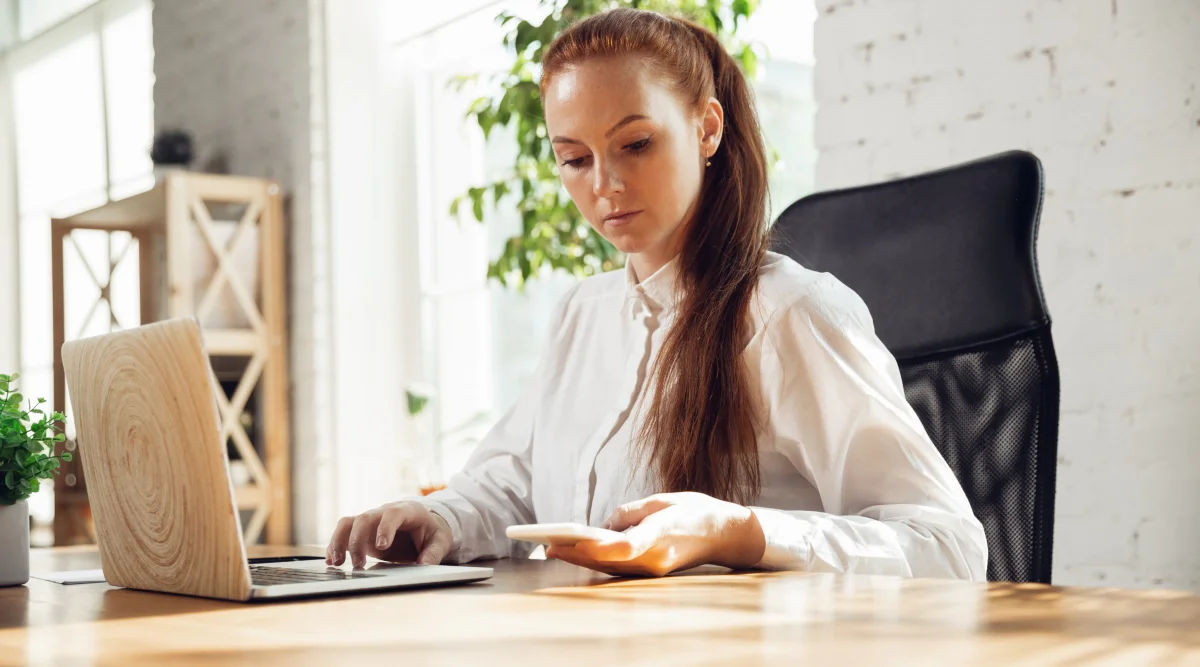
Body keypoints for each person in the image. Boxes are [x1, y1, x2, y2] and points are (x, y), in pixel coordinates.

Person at [325, 8, 987, 580]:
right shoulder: (581, 314)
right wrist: (436, 517)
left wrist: (737, 531)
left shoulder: (786, 313)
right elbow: (513, 485)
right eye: (574, 158)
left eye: (635, 144)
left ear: (707, 129)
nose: (604, 184)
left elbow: (950, 547)